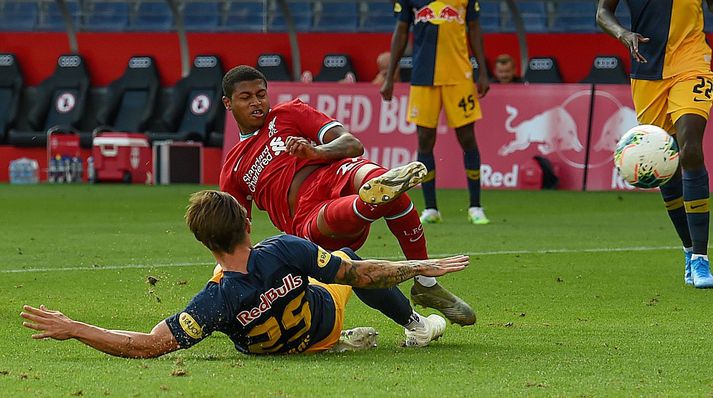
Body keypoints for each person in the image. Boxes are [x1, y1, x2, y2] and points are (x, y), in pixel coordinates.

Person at [20, 190, 470, 357]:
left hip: (278, 349)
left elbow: (147, 345)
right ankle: (417, 327)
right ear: (248, 224)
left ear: (204, 244)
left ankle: (356, 336)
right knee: (344, 259)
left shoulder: (213, 300)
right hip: (323, 322)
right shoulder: (283, 248)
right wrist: (420, 267)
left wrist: (74, 327)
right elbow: (363, 275)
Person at [220, 65, 476, 326]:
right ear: (228, 103)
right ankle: (373, 202)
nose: (256, 102)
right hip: (306, 218)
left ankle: (426, 283)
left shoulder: (289, 113)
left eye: (261, 94)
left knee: (383, 185)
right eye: (246, 97)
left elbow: (352, 144)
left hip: (334, 174)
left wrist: (316, 153)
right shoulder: (234, 168)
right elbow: (235, 233)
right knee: (373, 199)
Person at [597, 0, 713, 288]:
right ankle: (688, 249)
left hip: (693, 63)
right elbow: (602, 13)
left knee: (691, 149)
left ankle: (701, 258)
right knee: (666, 161)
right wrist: (623, 34)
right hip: (647, 71)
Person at [380, 0, 491, 225]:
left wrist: (483, 72)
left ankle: (475, 206)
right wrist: (390, 76)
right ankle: (431, 208)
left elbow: (475, 29)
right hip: (423, 77)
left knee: (467, 137)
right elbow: (400, 32)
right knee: (424, 141)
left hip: (459, 76)